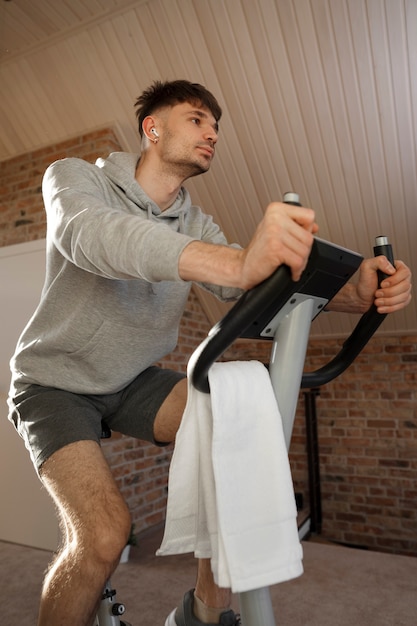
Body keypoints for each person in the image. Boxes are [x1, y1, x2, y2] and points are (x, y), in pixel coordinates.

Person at [8, 79, 412, 626]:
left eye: (216, 126)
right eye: (197, 119)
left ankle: (205, 608)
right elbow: (94, 237)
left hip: (131, 378)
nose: (212, 133)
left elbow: (257, 286)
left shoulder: (197, 223)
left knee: (234, 422)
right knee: (102, 537)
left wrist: (353, 294)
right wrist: (235, 263)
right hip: (53, 382)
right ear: (153, 128)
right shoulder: (78, 178)